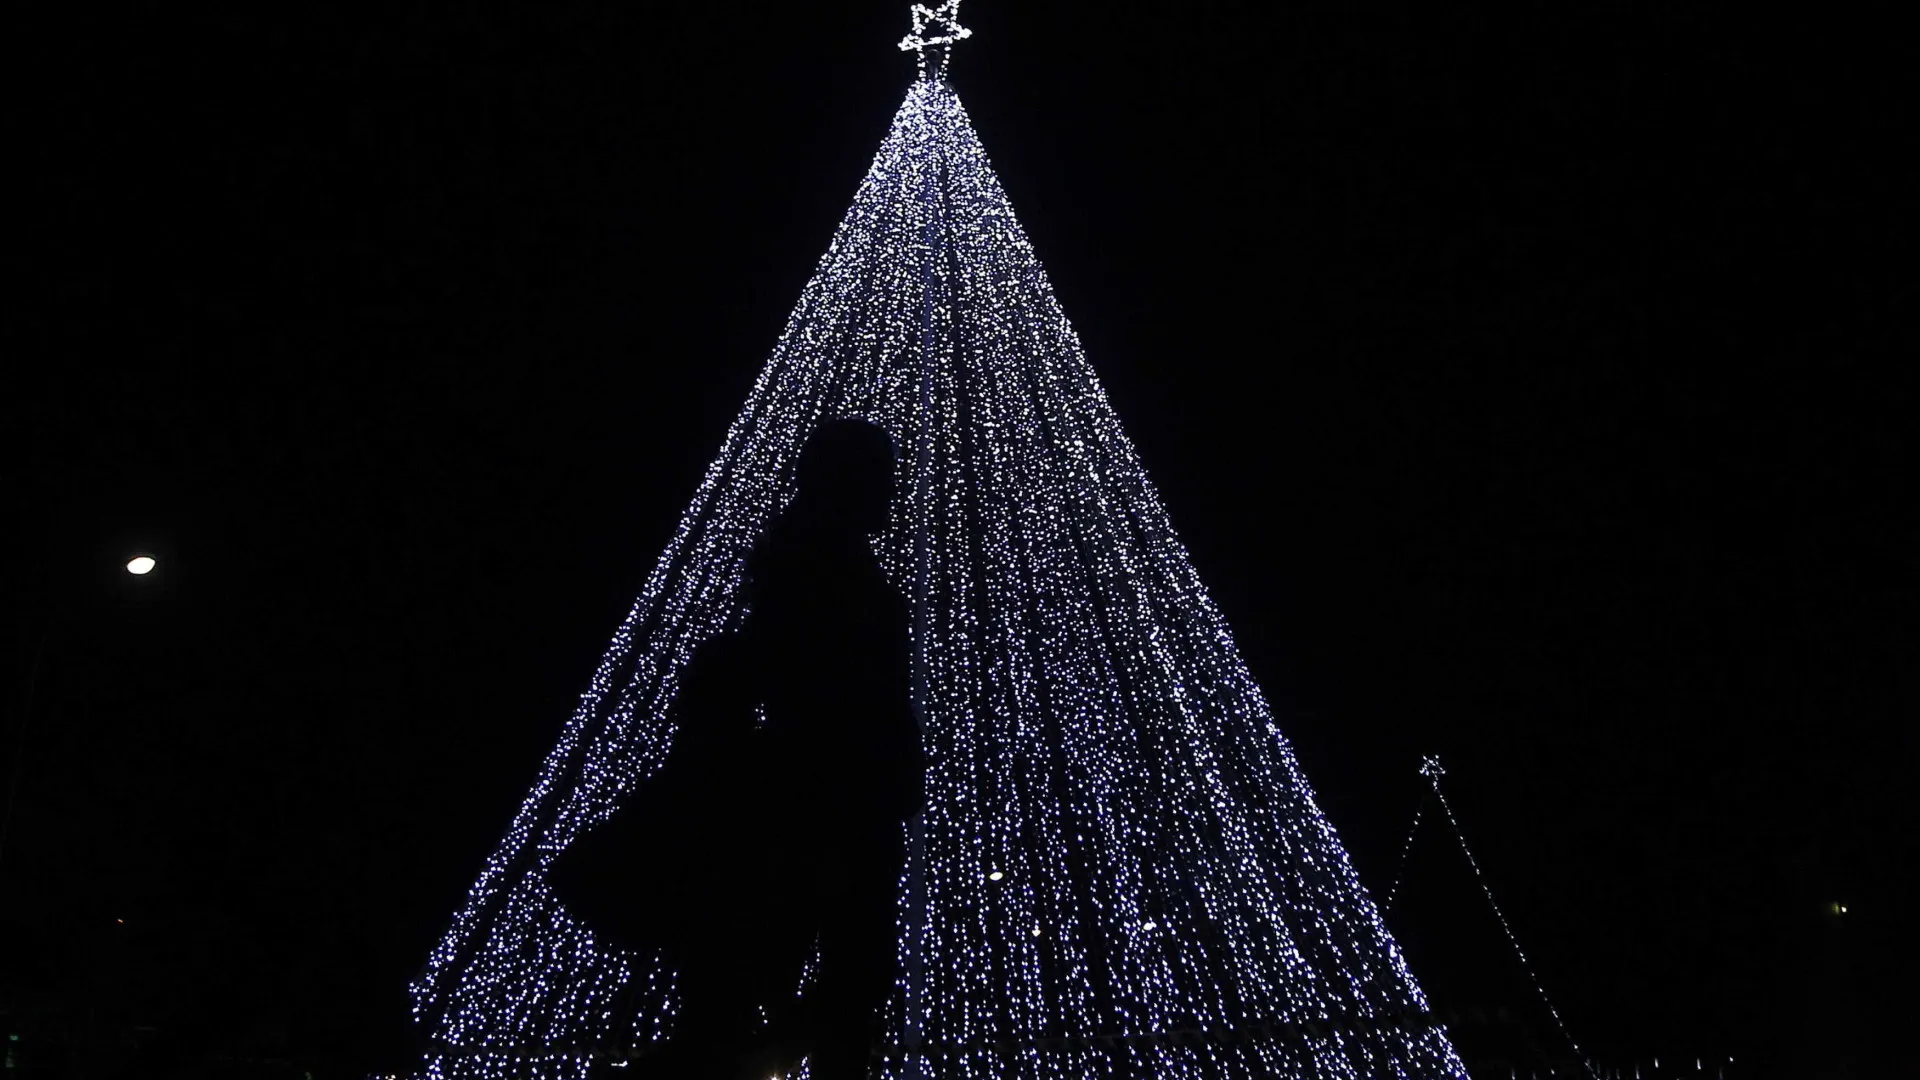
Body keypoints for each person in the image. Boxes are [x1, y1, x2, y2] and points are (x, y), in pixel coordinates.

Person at [552, 418, 923, 1080]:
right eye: (881, 476)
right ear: (849, 481)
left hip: (831, 798)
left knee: (801, 983)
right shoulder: (826, 577)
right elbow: (827, 691)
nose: (893, 491)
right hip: (833, 804)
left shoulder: (806, 568)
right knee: (833, 983)